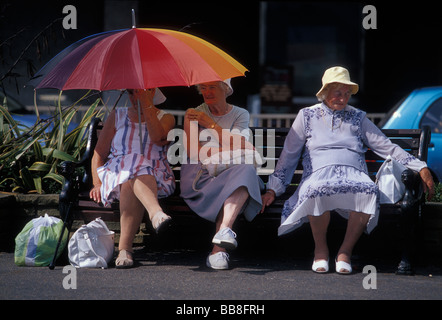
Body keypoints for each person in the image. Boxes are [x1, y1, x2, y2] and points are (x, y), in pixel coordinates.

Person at [261, 66, 435, 274]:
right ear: (325, 92)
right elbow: (288, 155)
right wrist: (273, 189)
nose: (343, 99)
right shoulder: (306, 116)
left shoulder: (358, 117)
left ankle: (345, 252)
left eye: (347, 94)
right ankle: (320, 250)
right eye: (338, 93)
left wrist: (420, 166)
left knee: (367, 190)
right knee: (315, 189)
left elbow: (385, 146)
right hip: (318, 174)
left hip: (354, 173)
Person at [180, 79, 264, 270]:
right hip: (199, 176)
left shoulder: (240, 113)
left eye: (212, 87)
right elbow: (194, 153)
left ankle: (222, 237)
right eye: (203, 88)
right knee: (240, 175)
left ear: (226, 90)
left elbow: (241, 145)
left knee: (245, 171)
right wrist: (228, 146)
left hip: (231, 172)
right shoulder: (193, 113)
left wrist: (210, 125)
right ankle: (220, 248)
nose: (207, 92)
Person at [89, 88, 176, 269]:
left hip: (155, 175)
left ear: (152, 92)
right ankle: (156, 214)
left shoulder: (166, 117)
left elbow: (158, 138)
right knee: (131, 166)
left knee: (133, 171)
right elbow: (98, 154)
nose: (134, 96)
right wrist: (96, 183)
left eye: (140, 92)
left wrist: (146, 105)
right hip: (116, 175)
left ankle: (124, 250)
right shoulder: (117, 115)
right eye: (131, 92)